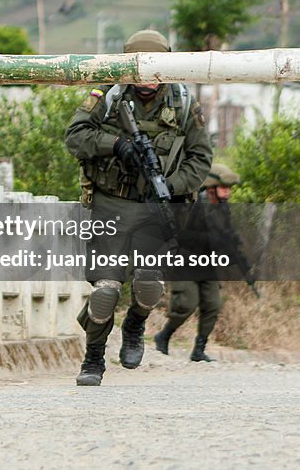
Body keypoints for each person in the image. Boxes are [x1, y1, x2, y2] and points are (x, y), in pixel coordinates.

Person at [64, 29, 212, 386]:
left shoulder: (183, 101)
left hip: (157, 207)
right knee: (105, 291)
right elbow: (75, 136)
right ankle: (93, 359)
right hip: (110, 203)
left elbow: (201, 157)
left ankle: (135, 324)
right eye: (139, 70)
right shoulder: (109, 94)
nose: (146, 80)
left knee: (148, 285)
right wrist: (115, 144)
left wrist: (170, 188)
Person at [154, 163, 240, 362]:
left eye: (229, 189)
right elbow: (180, 234)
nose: (227, 193)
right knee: (186, 303)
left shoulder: (222, 208)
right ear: (211, 187)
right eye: (224, 188)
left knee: (213, 304)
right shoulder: (193, 205)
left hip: (208, 264)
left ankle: (199, 349)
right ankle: (163, 336)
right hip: (185, 261)